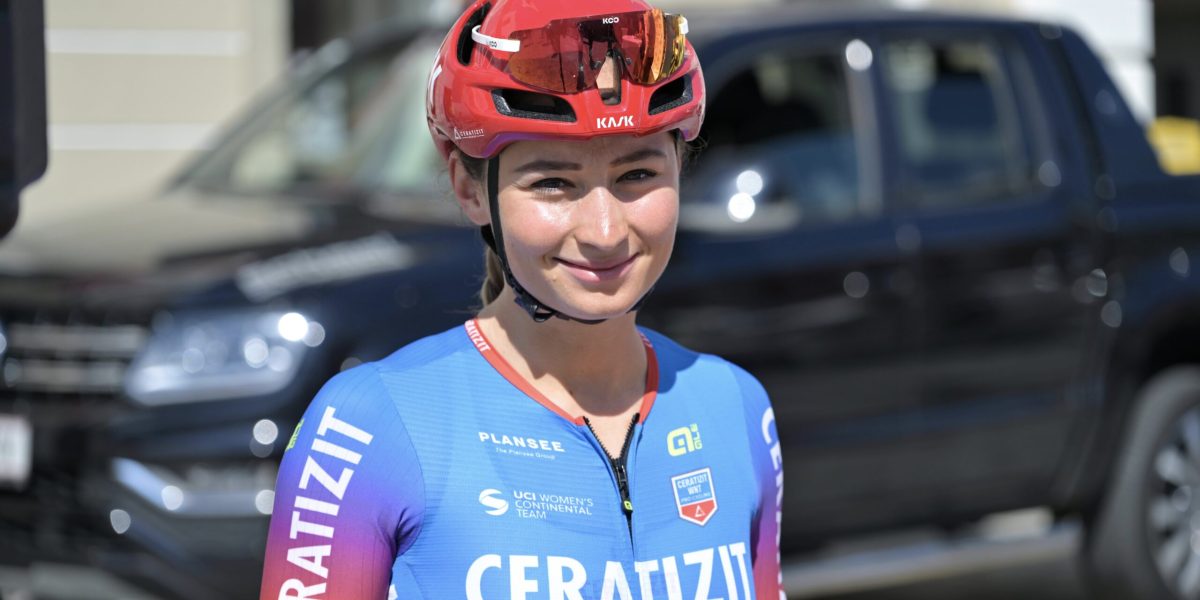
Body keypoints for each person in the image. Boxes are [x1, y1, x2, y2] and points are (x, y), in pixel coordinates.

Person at [259, 0, 786, 598]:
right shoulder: (367, 426)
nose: (605, 230)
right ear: (469, 189)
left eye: (637, 175)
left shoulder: (736, 407)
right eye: (552, 183)